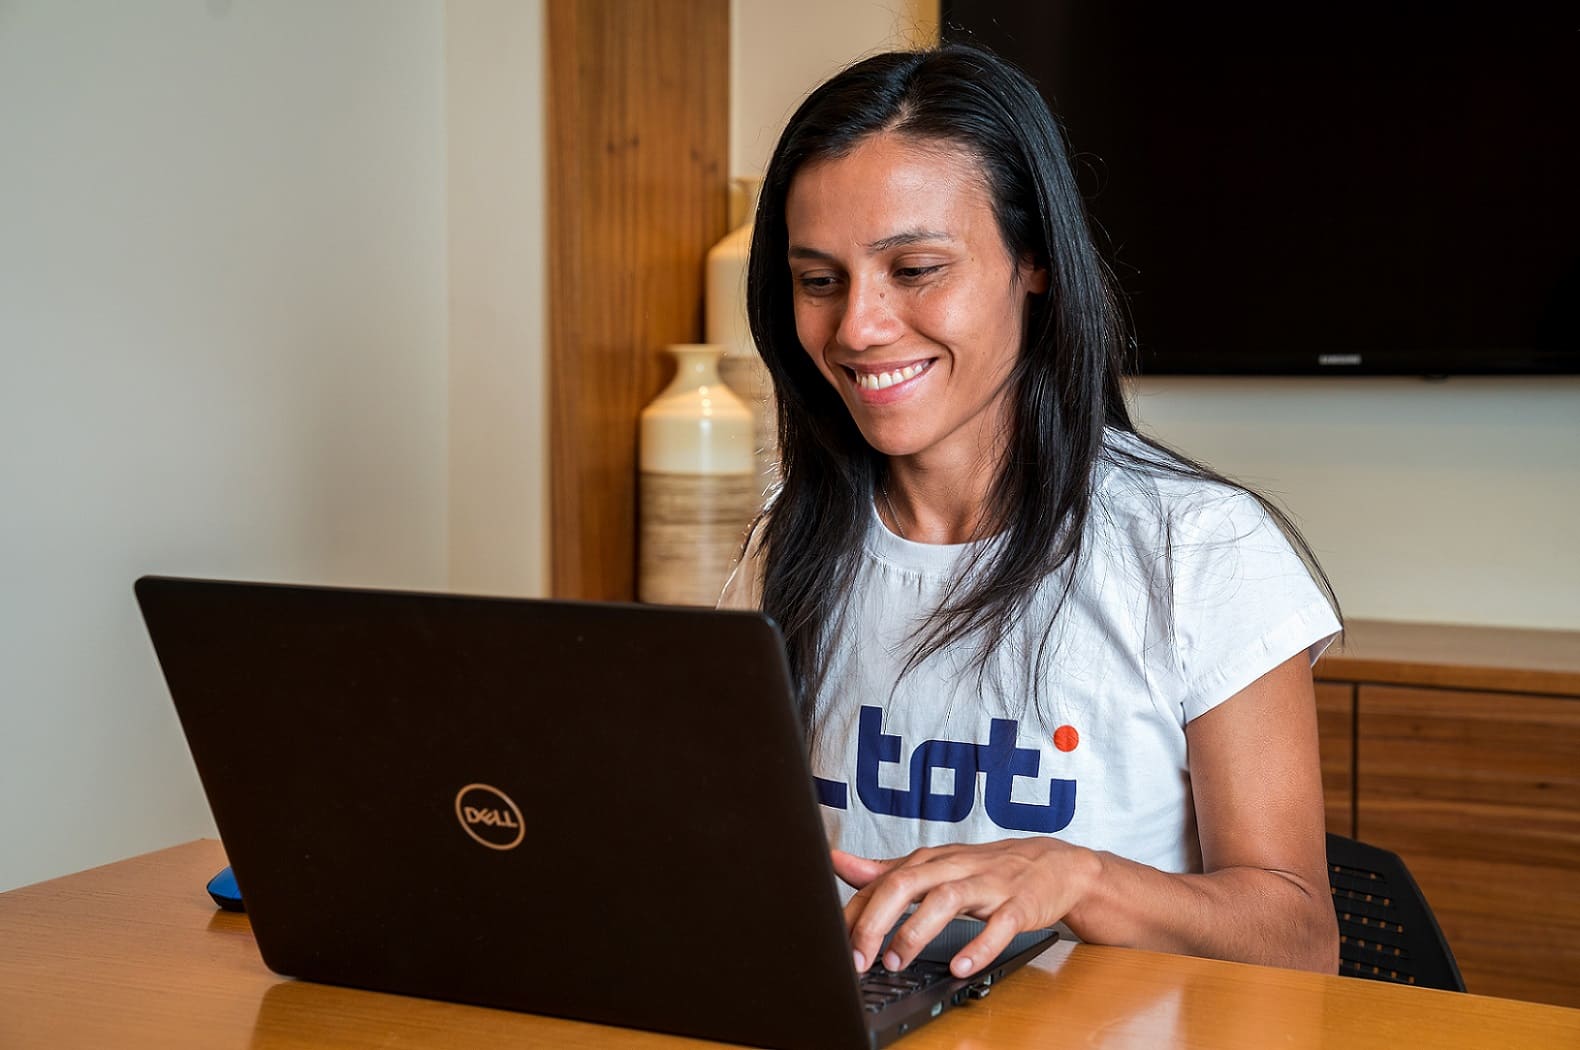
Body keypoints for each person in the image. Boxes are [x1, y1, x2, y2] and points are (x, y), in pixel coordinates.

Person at [719, 44, 1343, 979]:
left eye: (917, 267)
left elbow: (1301, 941)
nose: (857, 327)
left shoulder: (1197, 549)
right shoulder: (797, 543)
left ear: (1035, 262)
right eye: (819, 280)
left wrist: (1079, 881)